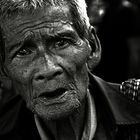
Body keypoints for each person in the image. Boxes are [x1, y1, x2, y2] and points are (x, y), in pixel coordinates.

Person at [0, 0, 140, 140]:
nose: (48, 69)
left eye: (61, 43)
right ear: (3, 69)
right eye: (24, 52)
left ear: (92, 46)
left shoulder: (135, 101)